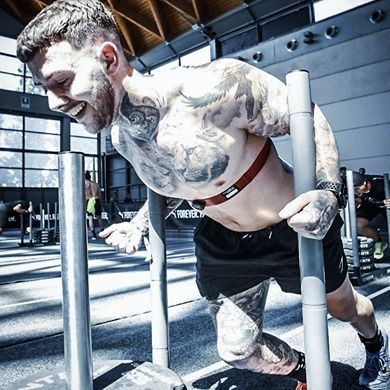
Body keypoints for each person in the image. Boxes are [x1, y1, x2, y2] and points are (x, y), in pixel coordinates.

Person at [16, 1, 390, 388]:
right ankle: (305, 369)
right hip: (224, 244)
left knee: (346, 308)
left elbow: (305, 116)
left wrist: (328, 192)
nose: (54, 103)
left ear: (109, 57)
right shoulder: (122, 137)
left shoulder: (213, 88)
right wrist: (139, 224)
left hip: (291, 226)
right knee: (237, 350)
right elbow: (174, 180)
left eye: (61, 82)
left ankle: (376, 345)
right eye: (46, 89)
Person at [353, 171, 390, 260]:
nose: (356, 192)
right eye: (354, 190)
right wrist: (356, 200)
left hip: (386, 204)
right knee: (358, 225)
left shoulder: (379, 183)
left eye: (357, 189)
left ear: (365, 184)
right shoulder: (354, 188)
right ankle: (379, 242)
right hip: (370, 205)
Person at [85, 170, 103, 240]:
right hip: (97, 200)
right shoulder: (96, 184)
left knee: (90, 218)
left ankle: (94, 235)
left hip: (89, 200)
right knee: (99, 217)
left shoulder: (85, 184)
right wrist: (100, 203)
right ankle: (102, 232)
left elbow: (84, 195)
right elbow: (100, 195)